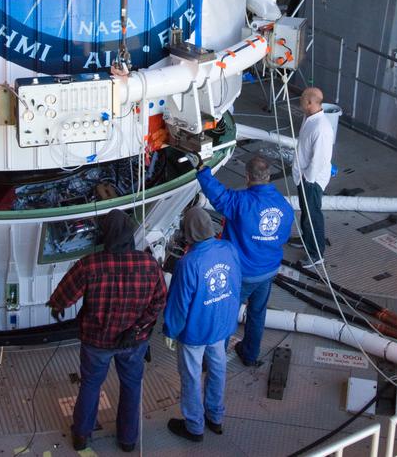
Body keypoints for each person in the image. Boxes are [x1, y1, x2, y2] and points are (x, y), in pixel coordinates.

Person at [47, 209, 167, 453]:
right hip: (133, 342)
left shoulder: (89, 265)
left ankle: (81, 435)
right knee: (132, 386)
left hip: (96, 341)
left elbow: (63, 296)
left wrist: (57, 306)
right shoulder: (149, 264)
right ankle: (127, 440)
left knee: (90, 385)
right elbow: (159, 302)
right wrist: (137, 328)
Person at [196, 156, 293, 368]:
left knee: (226, 315)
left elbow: (218, 195)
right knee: (257, 314)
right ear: (268, 177)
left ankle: (213, 363)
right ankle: (250, 355)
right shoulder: (284, 206)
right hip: (268, 271)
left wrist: (203, 171)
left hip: (242, 273)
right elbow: (283, 237)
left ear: (247, 177)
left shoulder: (241, 202)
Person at [163, 207, 242, 442]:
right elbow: (235, 284)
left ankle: (194, 425)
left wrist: (170, 330)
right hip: (221, 324)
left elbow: (179, 303)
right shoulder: (228, 249)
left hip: (195, 331)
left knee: (191, 375)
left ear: (188, 232)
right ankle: (215, 417)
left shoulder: (189, 263)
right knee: (218, 368)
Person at [294, 87, 335, 266]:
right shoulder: (309, 118)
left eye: (303, 98)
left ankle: (316, 253)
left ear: (310, 102)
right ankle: (306, 239)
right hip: (304, 176)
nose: (300, 100)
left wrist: (307, 179)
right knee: (306, 211)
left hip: (312, 179)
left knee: (313, 215)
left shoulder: (321, 128)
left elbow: (320, 159)